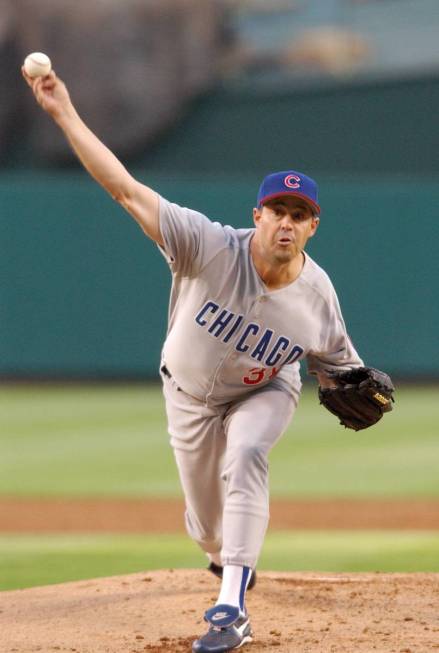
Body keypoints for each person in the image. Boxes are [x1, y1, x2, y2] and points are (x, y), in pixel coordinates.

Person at [22, 68, 363, 653]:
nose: (286, 221)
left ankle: (231, 608)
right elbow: (125, 189)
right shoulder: (205, 245)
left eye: (298, 213)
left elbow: (340, 367)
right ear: (256, 215)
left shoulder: (319, 295)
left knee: (250, 452)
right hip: (187, 396)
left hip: (264, 389)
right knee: (208, 525)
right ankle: (222, 558)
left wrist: (353, 387)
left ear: (313, 226)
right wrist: (63, 114)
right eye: (276, 209)